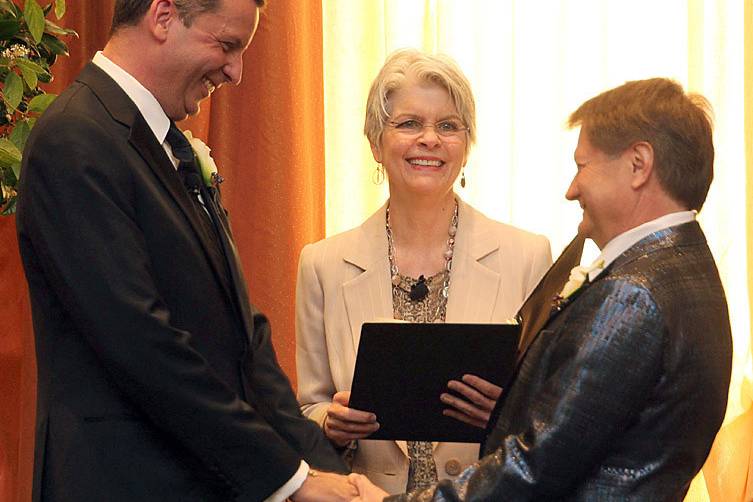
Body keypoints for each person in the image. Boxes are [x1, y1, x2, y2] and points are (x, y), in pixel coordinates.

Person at [15, 1, 355, 501]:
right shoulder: (75, 138)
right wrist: (293, 482)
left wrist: (329, 475)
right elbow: (144, 345)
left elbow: (245, 341)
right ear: (163, 16)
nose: (236, 72)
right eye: (226, 45)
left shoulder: (167, 144)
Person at [349, 77, 734, 501]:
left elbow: (534, 468)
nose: (572, 190)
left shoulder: (631, 295)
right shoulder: (689, 264)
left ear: (638, 165)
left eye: (582, 165)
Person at [295, 49, 552, 495]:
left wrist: (506, 410)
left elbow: (550, 412)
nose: (430, 139)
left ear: (467, 147)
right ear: (376, 142)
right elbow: (307, 408)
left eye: (448, 126)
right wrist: (330, 422)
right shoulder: (322, 264)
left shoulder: (528, 256)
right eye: (409, 123)